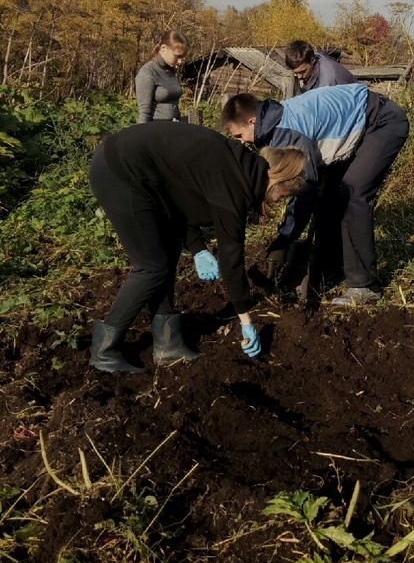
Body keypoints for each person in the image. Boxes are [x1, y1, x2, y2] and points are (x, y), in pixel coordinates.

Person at [88, 122, 306, 374]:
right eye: (284, 195)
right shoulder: (234, 184)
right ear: (277, 182)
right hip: (120, 172)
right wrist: (245, 319)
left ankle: (168, 343)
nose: (278, 201)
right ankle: (104, 351)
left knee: (167, 254)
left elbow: (179, 203)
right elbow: (231, 258)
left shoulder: (239, 167)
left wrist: (198, 248)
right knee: (151, 266)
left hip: (141, 175)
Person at [220, 83, 409, 306]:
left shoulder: (287, 133)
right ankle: (331, 264)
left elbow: (306, 188)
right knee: (329, 196)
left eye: (240, 135)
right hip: (361, 123)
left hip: (381, 122)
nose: (241, 142)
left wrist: (284, 239)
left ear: (252, 121)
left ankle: (365, 286)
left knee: (352, 196)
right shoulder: (273, 122)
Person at [135, 29, 189, 123]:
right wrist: (142, 136)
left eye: (182, 57)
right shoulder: (148, 72)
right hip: (156, 129)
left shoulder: (172, 71)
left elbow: (174, 106)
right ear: (163, 48)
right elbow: (144, 112)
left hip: (175, 127)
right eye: (177, 56)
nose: (180, 61)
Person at [284, 39, 357, 92]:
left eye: (303, 71)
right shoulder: (315, 57)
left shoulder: (327, 82)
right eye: (296, 73)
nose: (299, 77)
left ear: (312, 60)